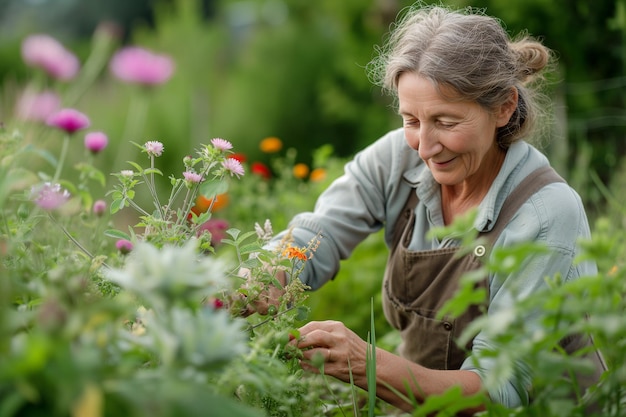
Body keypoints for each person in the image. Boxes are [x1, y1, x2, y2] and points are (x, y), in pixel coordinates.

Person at [247, 4, 606, 414]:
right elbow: (316, 237)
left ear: (504, 107)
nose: (425, 146)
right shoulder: (398, 159)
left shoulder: (544, 212)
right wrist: (260, 277)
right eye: (411, 119)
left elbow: (500, 388)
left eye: (446, 122)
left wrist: (369, 364)